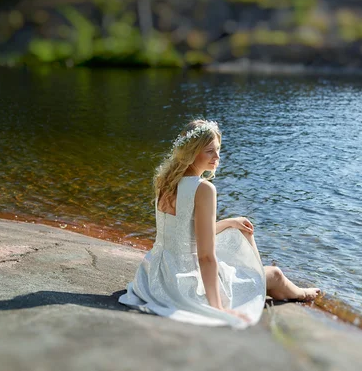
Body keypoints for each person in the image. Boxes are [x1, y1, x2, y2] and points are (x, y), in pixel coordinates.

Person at [119, 119, 320, 328]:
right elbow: (206, 257)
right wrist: (218, 309)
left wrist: (230, 222)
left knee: (238, 229)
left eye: (218, 150)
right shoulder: (203, 189)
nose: (217, 157)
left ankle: (271, 280)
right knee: (275, 275)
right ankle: (300, 292)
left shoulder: (166, 180)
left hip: (155, 275)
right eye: (210, 151)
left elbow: (183, 232)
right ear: (192, 152)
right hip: (184, 282)